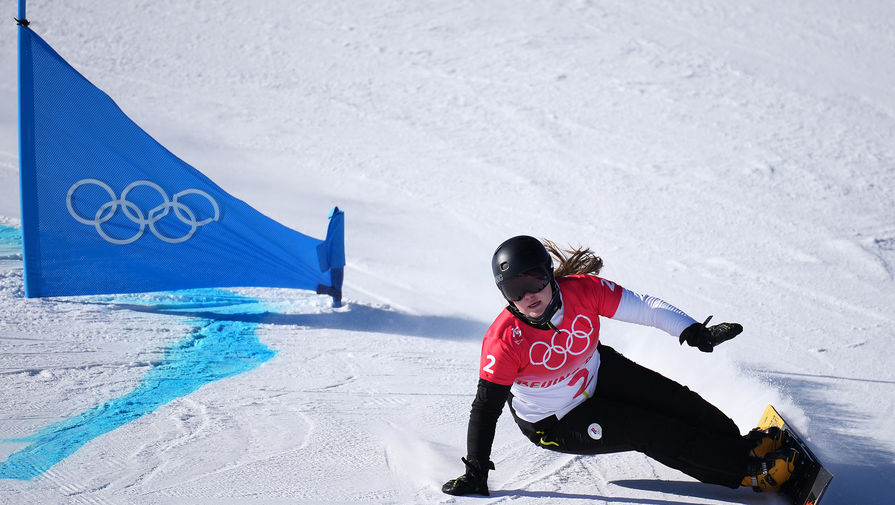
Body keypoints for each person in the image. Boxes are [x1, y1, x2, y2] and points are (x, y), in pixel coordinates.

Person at [442, 235, 799, 497]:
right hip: (557, 421)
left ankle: (741, 445)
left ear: (548, 274)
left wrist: (692, 331)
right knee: (647, 429)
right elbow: (485, 408)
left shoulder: (582, 291)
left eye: (532, 281)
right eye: (514, 290)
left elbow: (643, 307)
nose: (527, 297)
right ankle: (746, 470)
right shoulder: (505, 341)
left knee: (677, 401)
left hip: (597, 372)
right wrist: (476, 471)